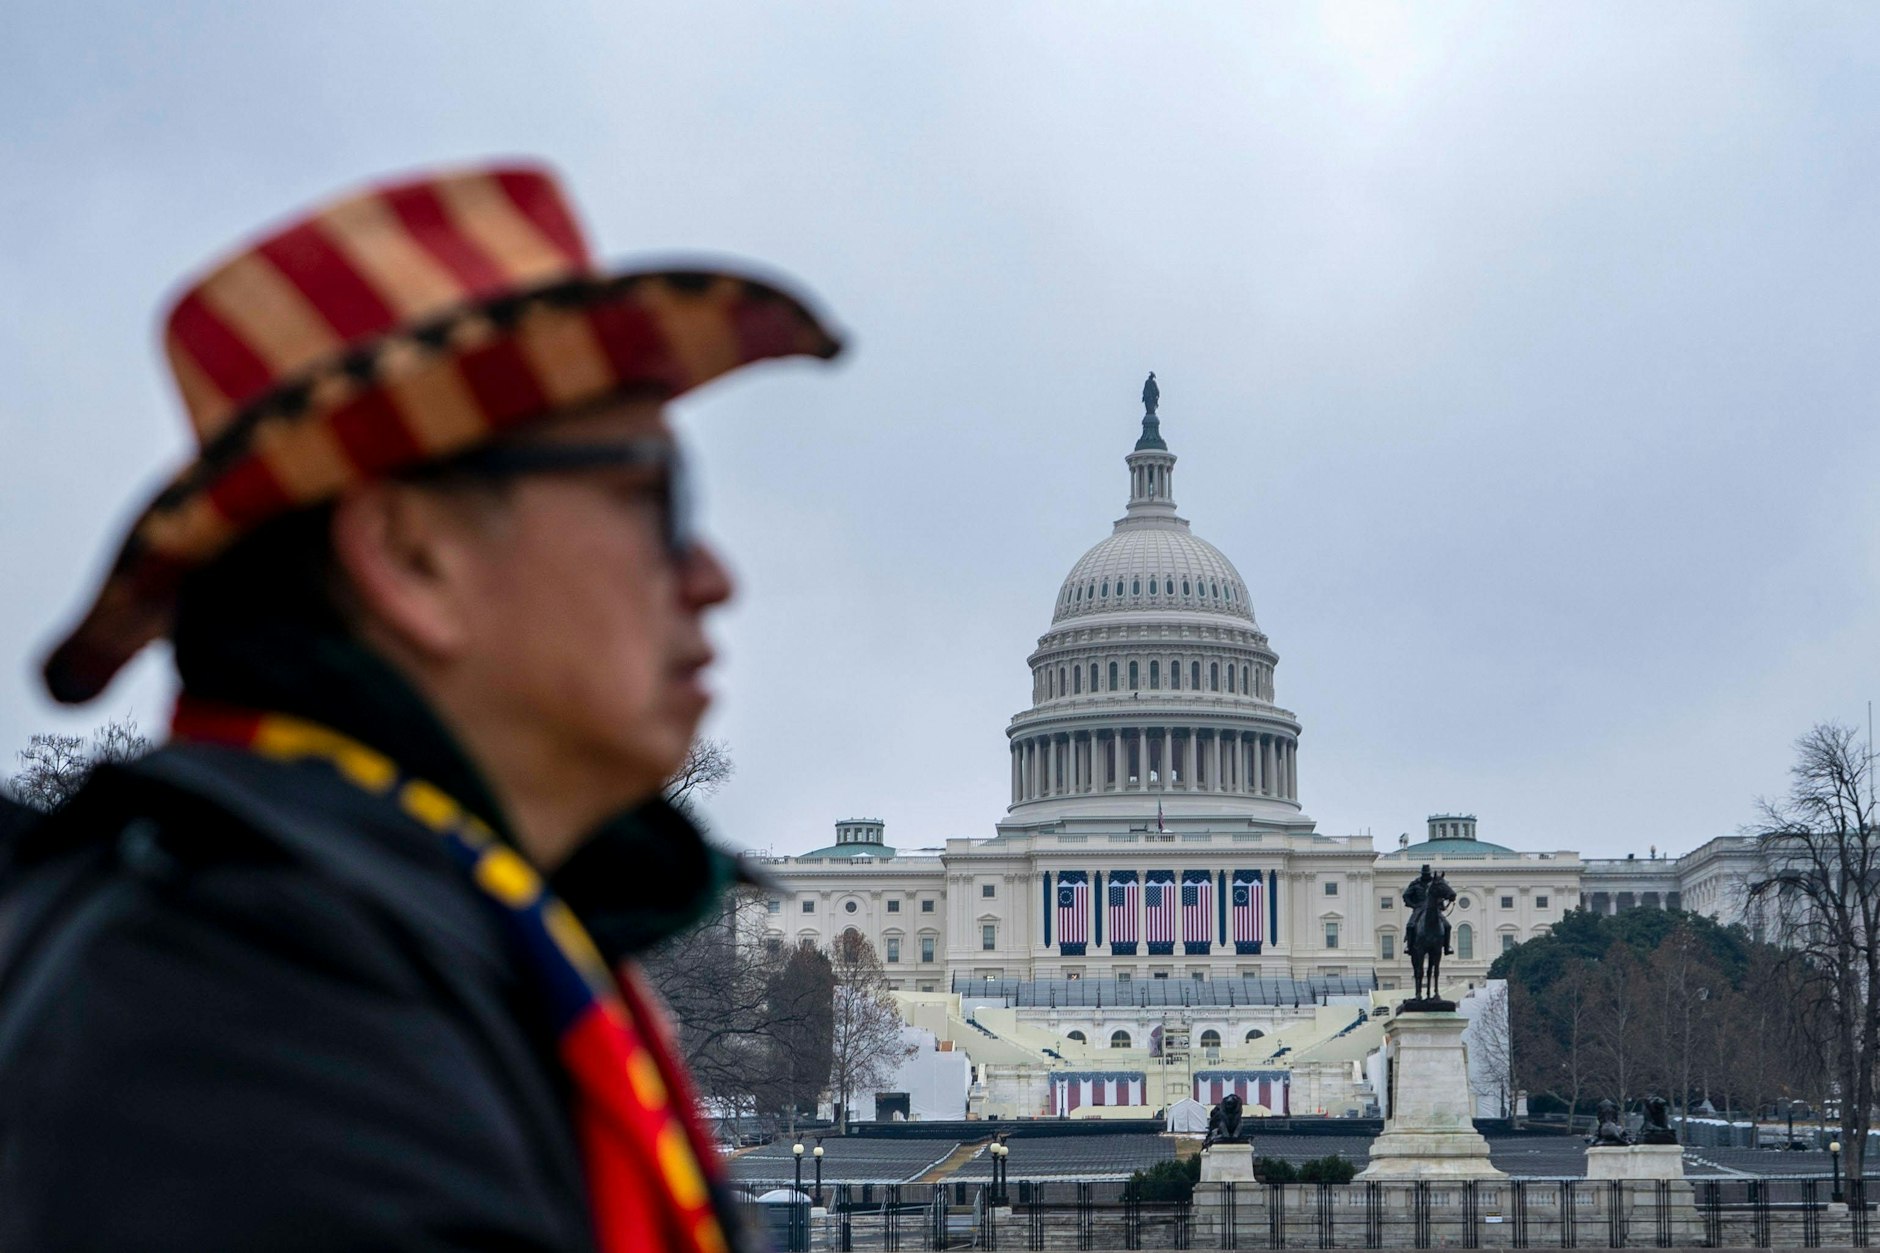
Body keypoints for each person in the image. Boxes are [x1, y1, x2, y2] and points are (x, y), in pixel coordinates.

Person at [0, 164, 841, 1251]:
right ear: (411, 555)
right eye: (652, 497)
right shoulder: (249, 1002)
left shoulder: (399, 935)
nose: (712, 575)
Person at [1402, 863, 1453, 956]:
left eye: (1427, 874)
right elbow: (1406, 896)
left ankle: (1447, 947)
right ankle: (1409, 947)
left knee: (1447, 926)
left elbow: (1440, 894)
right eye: (1425, 874)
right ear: (1422, 874)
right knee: (1410, 925)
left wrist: (1442, 904)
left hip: (1434, 908)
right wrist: (1413, 905)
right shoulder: (1415, 884)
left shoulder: (1435, 883)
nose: (1426, 876)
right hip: (1419, 908)